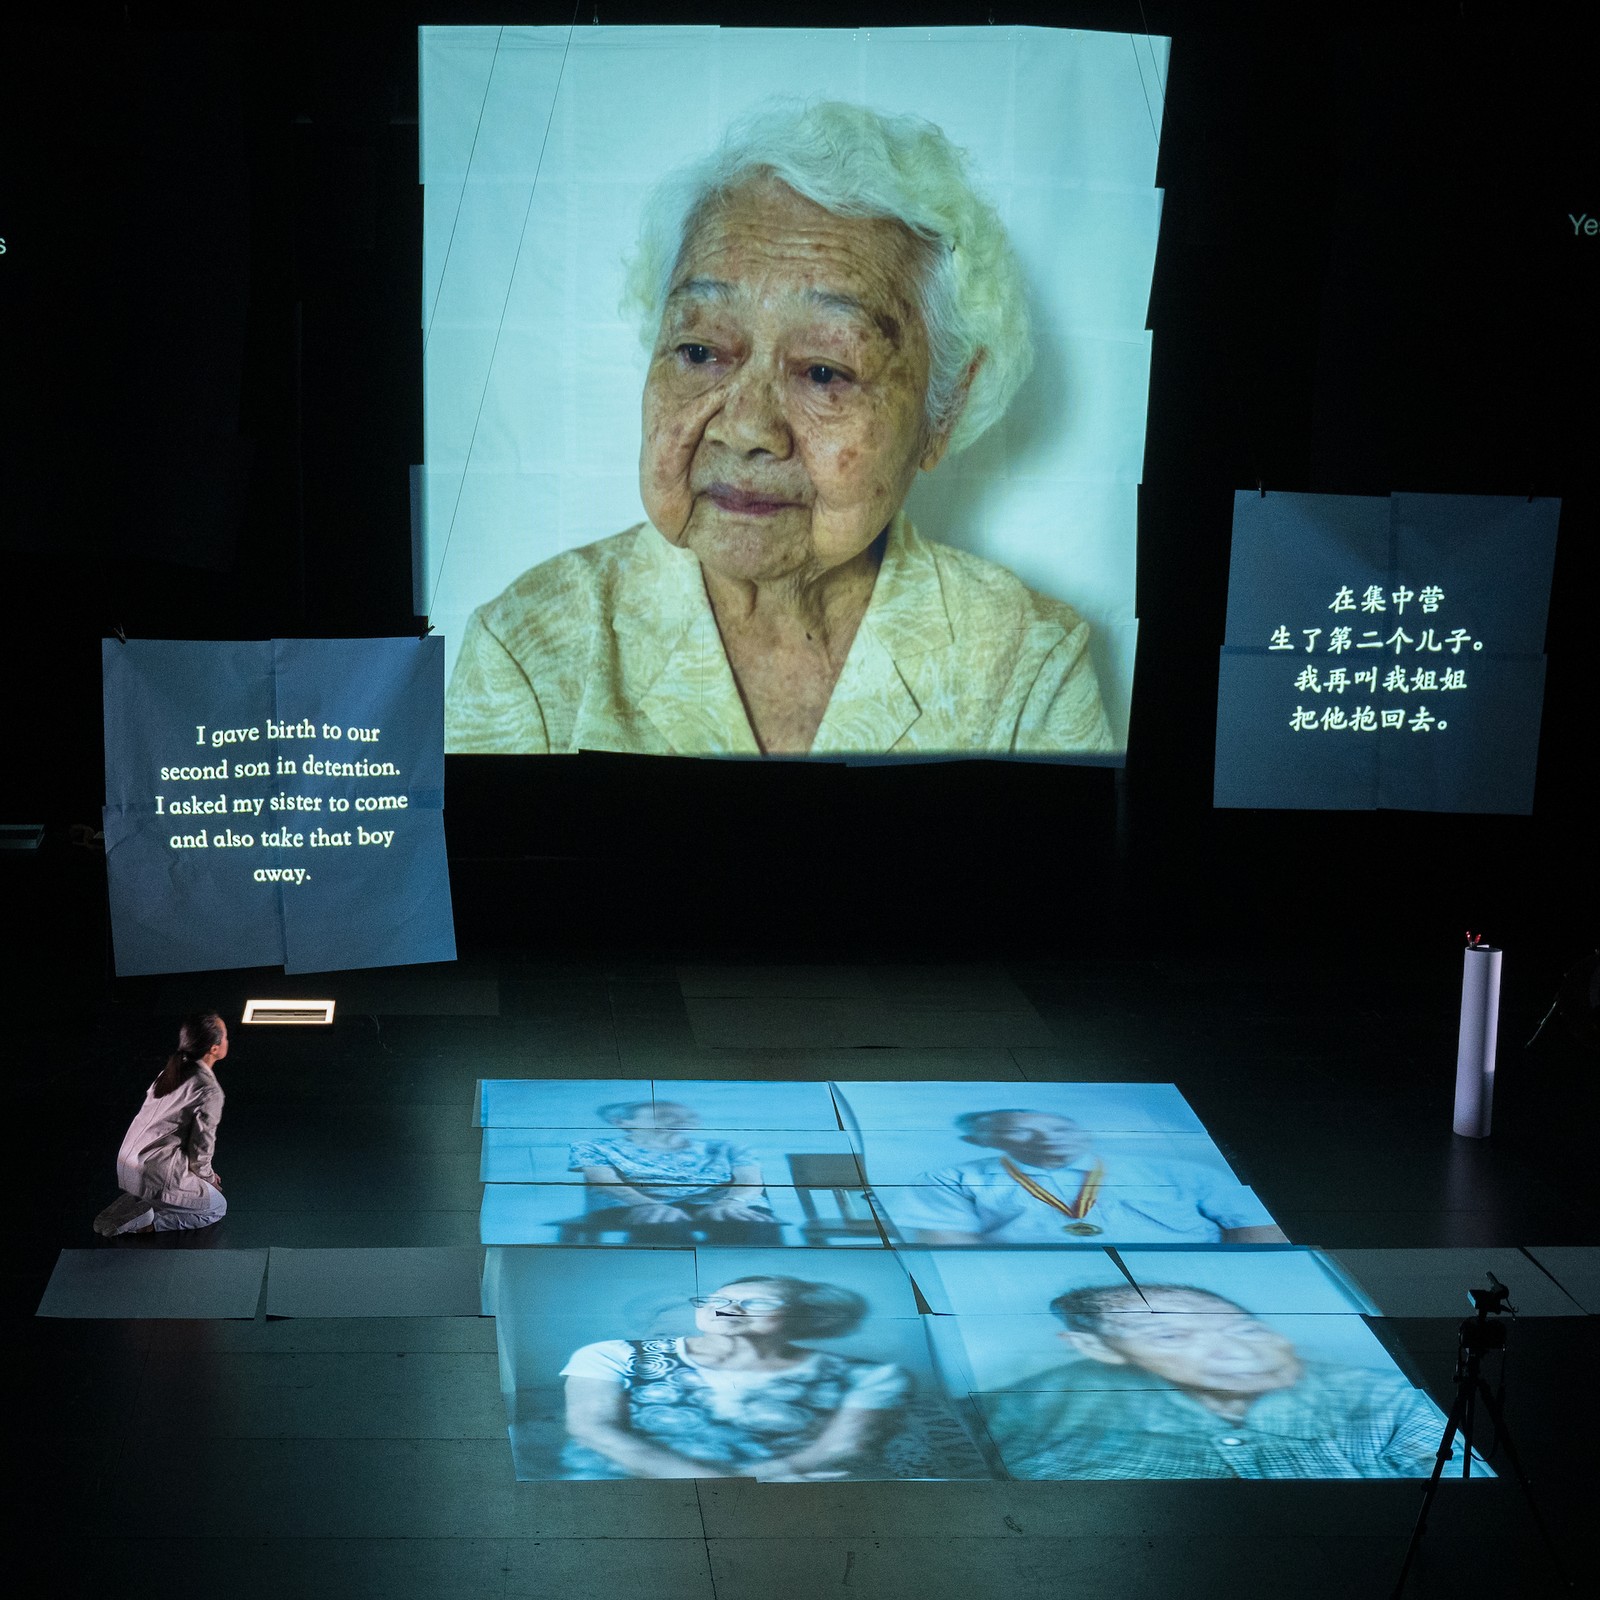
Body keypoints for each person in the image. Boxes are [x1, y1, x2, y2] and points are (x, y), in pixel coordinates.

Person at [446, 100, 1113, 759]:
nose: (746, 430)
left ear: (946, 411)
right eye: (699, 351)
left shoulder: (1024, 666)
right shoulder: (531, 652)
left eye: (825, 371)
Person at [982, 1283, 1463, 1480]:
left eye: (1246, 1328)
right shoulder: (1033, 1417)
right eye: (1170, 1334)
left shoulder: (1388, 1398)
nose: (1240, 1351)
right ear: (1096, 1348)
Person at [560, 1275, 908, 1480]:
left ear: (804, 1317)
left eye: (757, 1303)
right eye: (718, 1299)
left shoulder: (871, 1376)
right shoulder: (612, 1353)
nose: (728, 1309)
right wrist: (708, 1484)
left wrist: (744, 1486)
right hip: (626, 1484)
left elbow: (842, 1448)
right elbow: (592, 1429)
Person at [888, 1109, 1287, 1245]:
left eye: (1061, 1129)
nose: (1047, 1138)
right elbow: (953, 1251)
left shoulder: (1181, 1172)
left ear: (1084, 1133)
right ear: (981, 1141)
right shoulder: (947, 1178)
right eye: (1020, 1131)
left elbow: (1257, 1231)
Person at [565, 1100, 784, 1244]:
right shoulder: (594, 1147)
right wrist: (646, 1204)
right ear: (622, 1121)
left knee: (753, 1227)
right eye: (666, 1115)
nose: (682, 1121)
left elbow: (750, 1179)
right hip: (634, 1205)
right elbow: (602, 1179)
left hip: (726, 1204)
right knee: (661, 1227)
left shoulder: (727, 1146)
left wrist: (733, 1201)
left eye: (689, 1117)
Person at [92, 1012, 230, 1236]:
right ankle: (147, 1221)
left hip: (127, 1165)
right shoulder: (208, 1090)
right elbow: (200, 1149)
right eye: (224, 1037)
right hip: (153, 1172)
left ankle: (140, 1200)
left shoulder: (168, 1073)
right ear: (214, 1048)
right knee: (216, 1208)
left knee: (186, 1185)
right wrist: (208, 1179)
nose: (227, 1041)